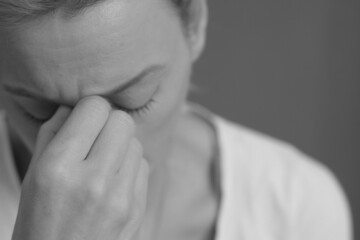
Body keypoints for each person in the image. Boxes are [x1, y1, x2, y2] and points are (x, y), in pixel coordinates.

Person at [0, 0, 353, 239]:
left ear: (194, 24)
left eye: (134, 100)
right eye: (38, 110)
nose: (96, 143)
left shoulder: (294, 204)